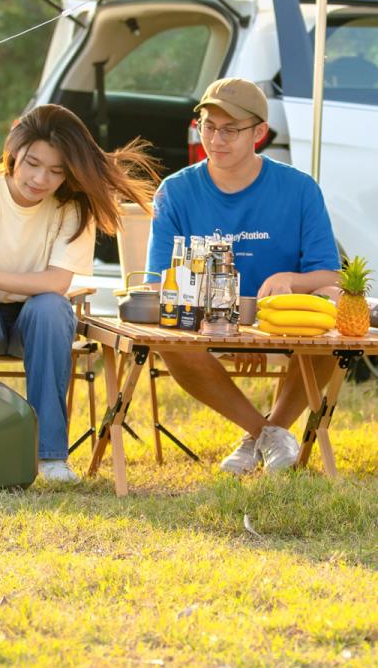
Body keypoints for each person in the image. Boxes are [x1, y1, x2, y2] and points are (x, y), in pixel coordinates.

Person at [0, 104, 160, 483]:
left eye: (57, 171)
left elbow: (57, 282)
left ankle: (50, 457)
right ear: (13, 153)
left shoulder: (72, 206)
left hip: (34, 323)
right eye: (32, 163)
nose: (41, 179)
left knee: (53, 308)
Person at [145, 77, 341, 474]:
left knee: (333, 329)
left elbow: (330, 277)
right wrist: (224, 324)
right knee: (169, 341)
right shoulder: (175, 191)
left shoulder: (299, 189)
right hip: (203, 325)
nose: (216, 139)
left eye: (230, 130)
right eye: (208, 126)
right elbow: (158, 283)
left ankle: (261, 438)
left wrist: (290, 279)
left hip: (285, 322)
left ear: (259, 133)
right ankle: (267, 435)